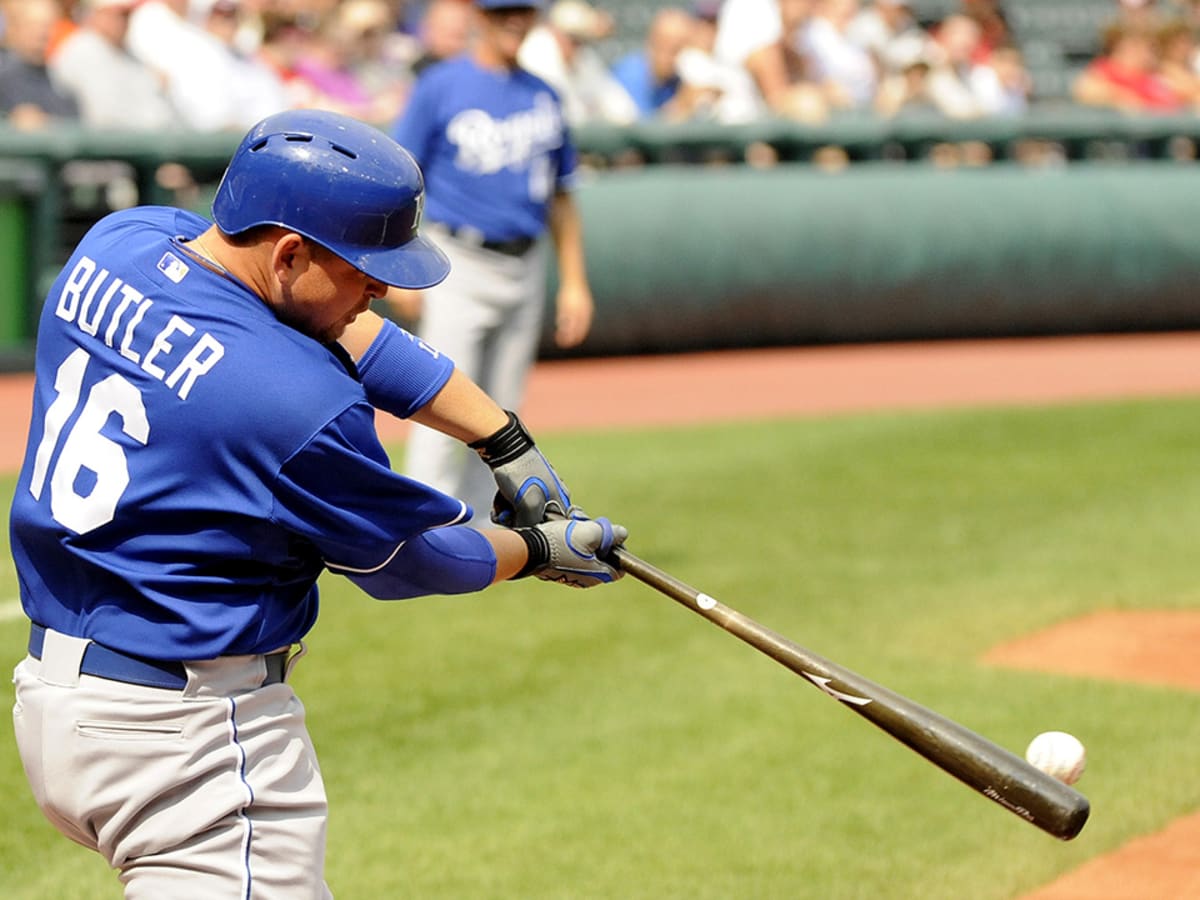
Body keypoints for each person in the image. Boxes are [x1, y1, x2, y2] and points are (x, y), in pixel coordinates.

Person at [9, 108, 626, 896]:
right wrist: (540, 551)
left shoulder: (121, 242)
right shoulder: (295, 406)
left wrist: (502, 439)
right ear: (291, 250)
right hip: (187, 740)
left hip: (59, 703)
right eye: (364, 272)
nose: (378, 292)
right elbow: (416, 559)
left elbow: (346, 332)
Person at [389, 0, 596, 527]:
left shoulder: (543, 94)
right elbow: (398, 177)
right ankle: (424, 531)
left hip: (525, 262)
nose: (514, 20)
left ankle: (483, 532)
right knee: (440, 403)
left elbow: (562, 196)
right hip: (457, 260)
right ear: (479, 16)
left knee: (502, 415)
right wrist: (395, 263)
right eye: (503, 10)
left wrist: (574, 281)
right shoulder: (441, 85)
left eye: (523, 11)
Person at [518, 0, 639, 125]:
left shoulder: (583, 57)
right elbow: (567, 116)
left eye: (581, 38)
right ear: (553, 30)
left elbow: (623, 108)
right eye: (572, 37)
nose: (577, 44)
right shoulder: (538, 51)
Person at [0, 0, 79, 130]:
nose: (42, 33)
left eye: (47, 26)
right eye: (33, 25)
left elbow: (75, 123)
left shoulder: (59, 79)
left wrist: (47, 123)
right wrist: (10, 120)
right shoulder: (4, 74)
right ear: (15, 27)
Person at [610, 7, 693, 119]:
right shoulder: (629, 75)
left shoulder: (677, 80)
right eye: (665, 45)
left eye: (678, 48)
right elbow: (635, 129)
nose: (669, 55)